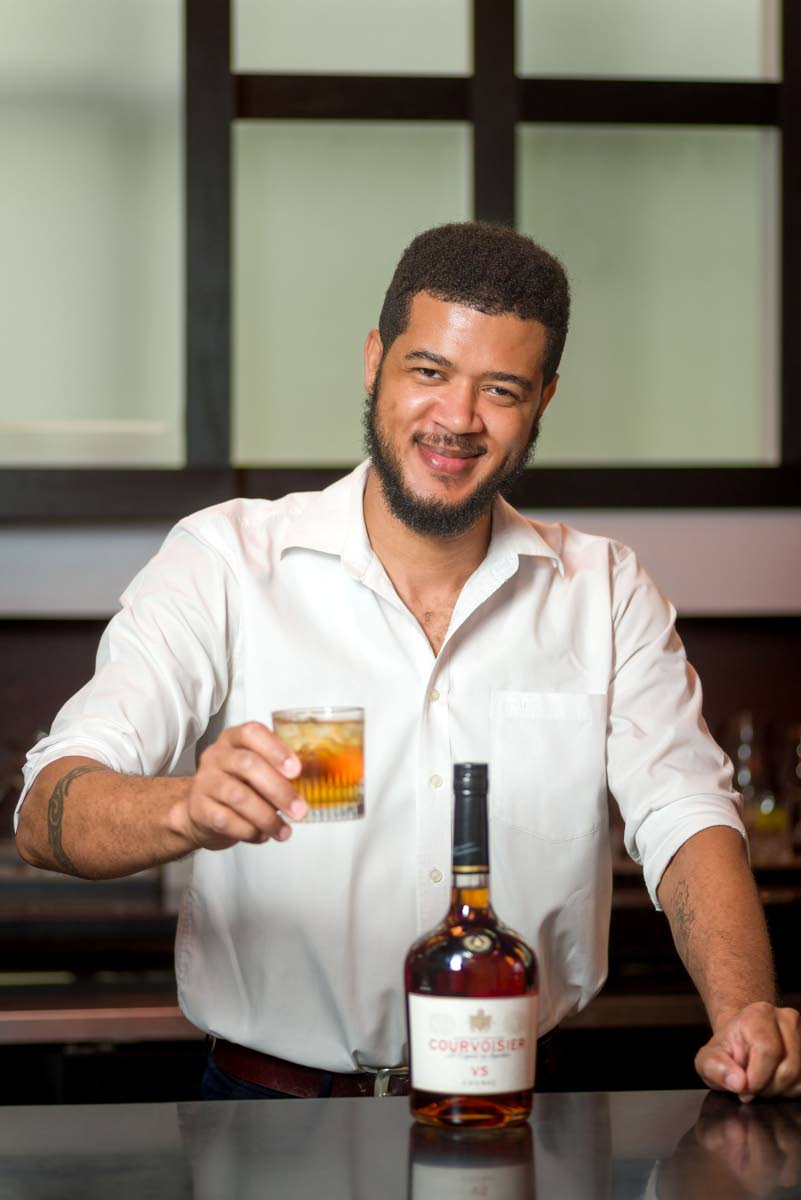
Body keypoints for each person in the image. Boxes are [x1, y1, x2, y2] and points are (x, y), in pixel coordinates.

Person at [15, 222, 801, 1102]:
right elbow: (47, 809)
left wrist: (744, 1010)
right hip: (271, 1119)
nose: (457, 419)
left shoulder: (604, 590)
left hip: (522, 1108)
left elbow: (685, 816)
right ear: (374, 361)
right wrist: (185, 807)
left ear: (543, 399)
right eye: (428, 371)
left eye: (499, 389)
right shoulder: (225, 563)